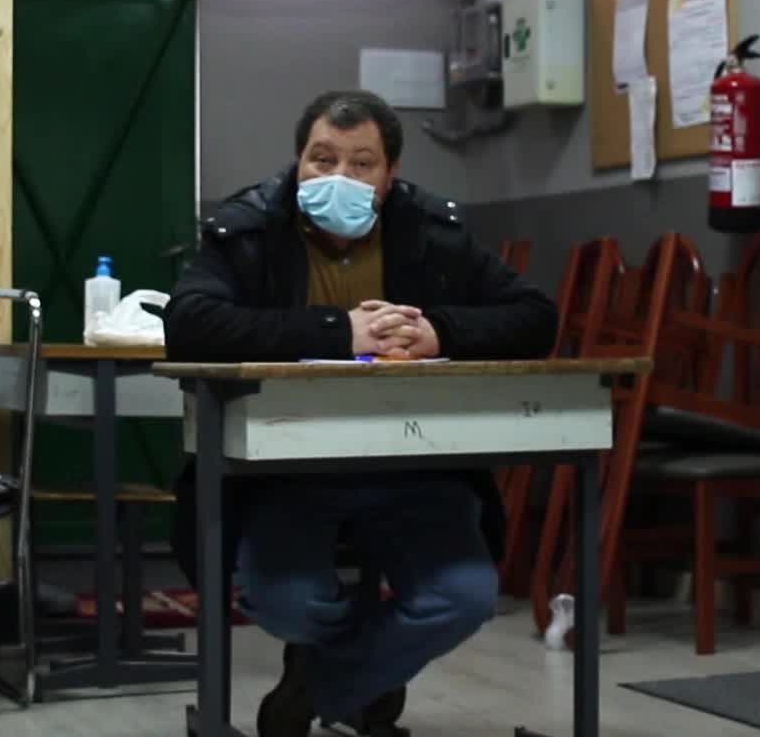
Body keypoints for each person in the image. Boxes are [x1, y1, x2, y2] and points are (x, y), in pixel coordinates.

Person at [164, 89, 557, 737]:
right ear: (297, 162)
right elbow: (189, 323)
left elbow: (536, 315)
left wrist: (440, 332)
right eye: (322, 159)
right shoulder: (251, 227)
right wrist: (336, 332)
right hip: (284, 470)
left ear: (390, 174)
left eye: (361, 163)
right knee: (291, 605)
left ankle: (321, 682)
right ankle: (362, 672)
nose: (339, 177)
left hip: (413, 465)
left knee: (464, 597)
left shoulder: (430, 230)